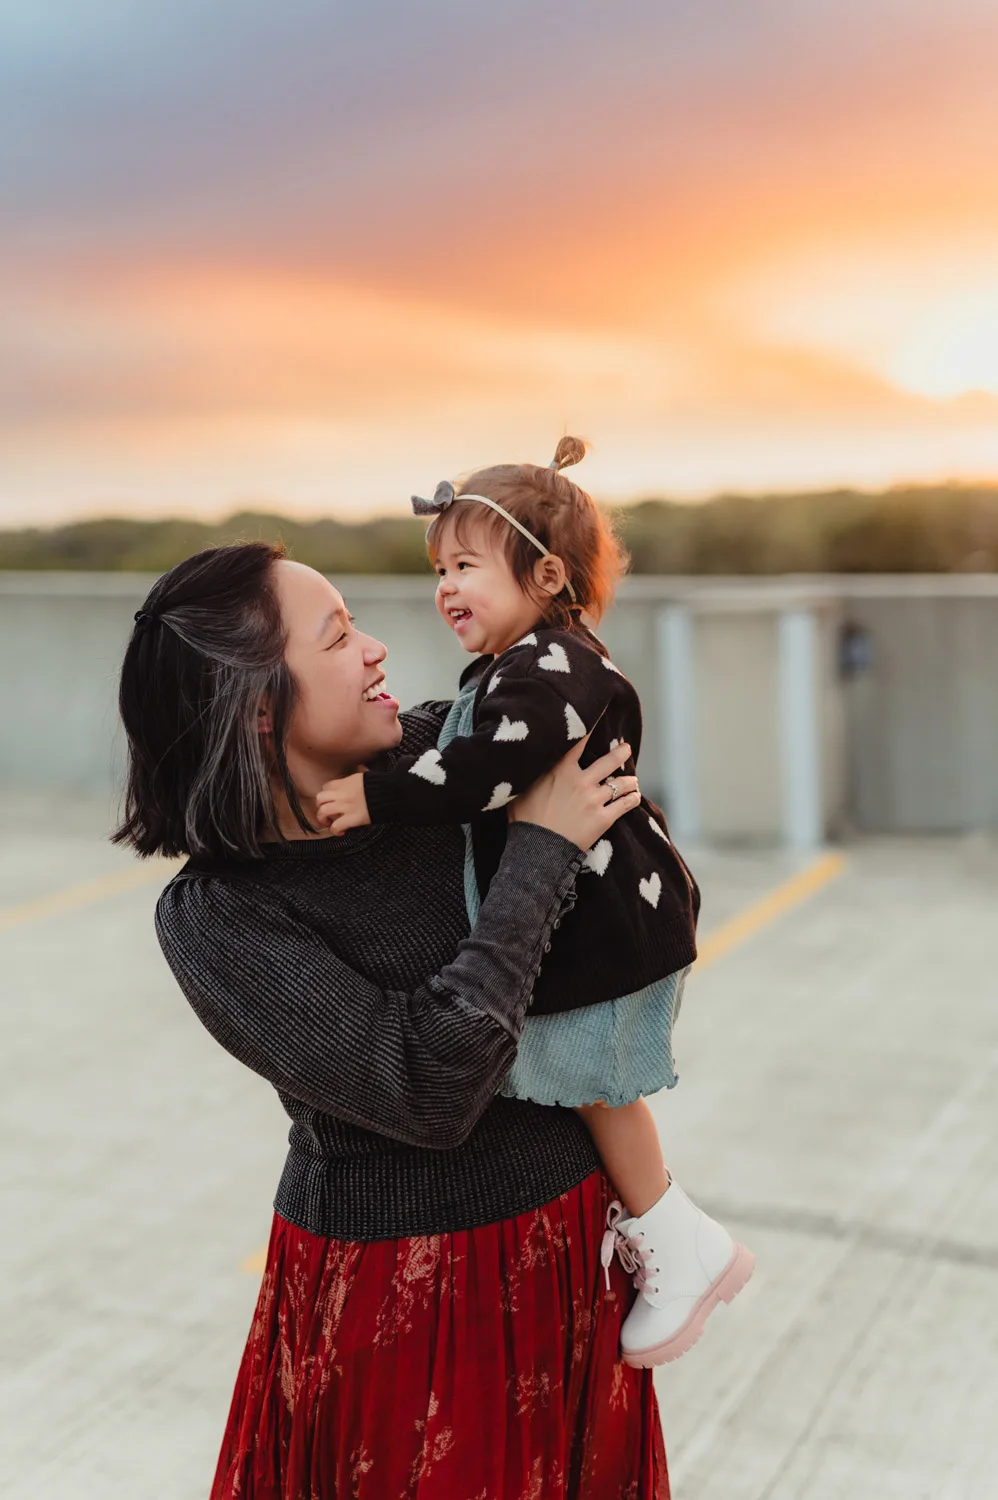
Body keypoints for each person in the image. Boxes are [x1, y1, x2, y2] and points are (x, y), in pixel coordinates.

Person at [113, 539, 668, 1499]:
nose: (375, 649)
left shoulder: (443, 764)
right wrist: (538, 848)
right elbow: (429, 1086)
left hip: (571, 1254)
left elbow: (584, 701)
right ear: (254, 704)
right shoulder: (220, 917)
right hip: (405, 1301)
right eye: (336, 637)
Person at [316, 438, 754, 1367]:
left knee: (595, 1083)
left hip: (608, 919)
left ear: (546, 573)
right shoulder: (528, 666)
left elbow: (483, 769)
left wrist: (373, 796)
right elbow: (465, 735)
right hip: (597, 911)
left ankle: (679, 1239)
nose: (444, 587)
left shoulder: (555, 669)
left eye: (465, 565)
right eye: (438, 569)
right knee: (575, 1077)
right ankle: (667, 1233)